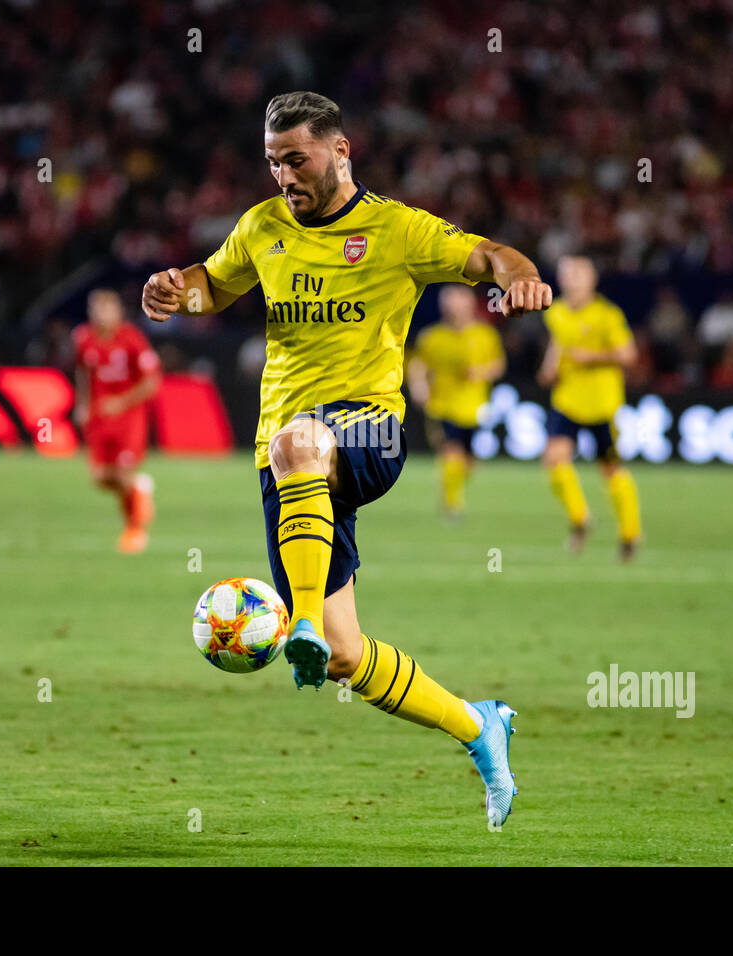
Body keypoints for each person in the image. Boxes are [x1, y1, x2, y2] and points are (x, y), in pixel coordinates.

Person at [140, 91, 553, 827]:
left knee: (301, 441)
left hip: (371, 430)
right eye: (272, 162)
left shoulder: (396, 229)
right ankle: (477, 723)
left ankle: (294, 620)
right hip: (289, 462)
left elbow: (488, 253)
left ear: (340, 150)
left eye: (296, 158)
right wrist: (176, 291)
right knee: (342, 654)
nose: (284, 175)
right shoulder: (262, 226)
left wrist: (515, 276)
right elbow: (214, 283)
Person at [538, 255, 642, 560]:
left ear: (592, 280)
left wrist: (592, 356)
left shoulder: (607, 315)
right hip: (568, 400)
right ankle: (580, 519)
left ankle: (629, 533)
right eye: (566, 275)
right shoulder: (555, 312)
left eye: (577, 275)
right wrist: (549, 367)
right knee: (554, 460)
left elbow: (628, 355)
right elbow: (558, 344)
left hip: (602, 404)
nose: (571, 280)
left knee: (610, 469)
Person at [72, 289, 161, 553]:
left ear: (118, 311)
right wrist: (83, 405)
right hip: (99, 418)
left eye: (106, 308)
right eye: (95, 309)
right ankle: (139, 489)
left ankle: (135, 529)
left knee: (122, 474)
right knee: (100, 477)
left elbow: (151, 382)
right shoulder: (84, 339)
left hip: (128, 417)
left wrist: (121, 402)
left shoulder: (132, 339)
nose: (100, 314)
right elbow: (82, 374)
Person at [407, 284, 505, 519]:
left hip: (474, 407)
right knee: (451, 453)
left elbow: (498, 365)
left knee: (469, 462)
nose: (451, 307)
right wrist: (419, 386)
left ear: (469, 304)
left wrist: (480, 372)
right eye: (447, 302)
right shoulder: (431, 336)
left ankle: (450, 489)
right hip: (441, 406)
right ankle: (452, 505)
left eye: (456, 301)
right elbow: (418, 364)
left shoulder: (485, 335)